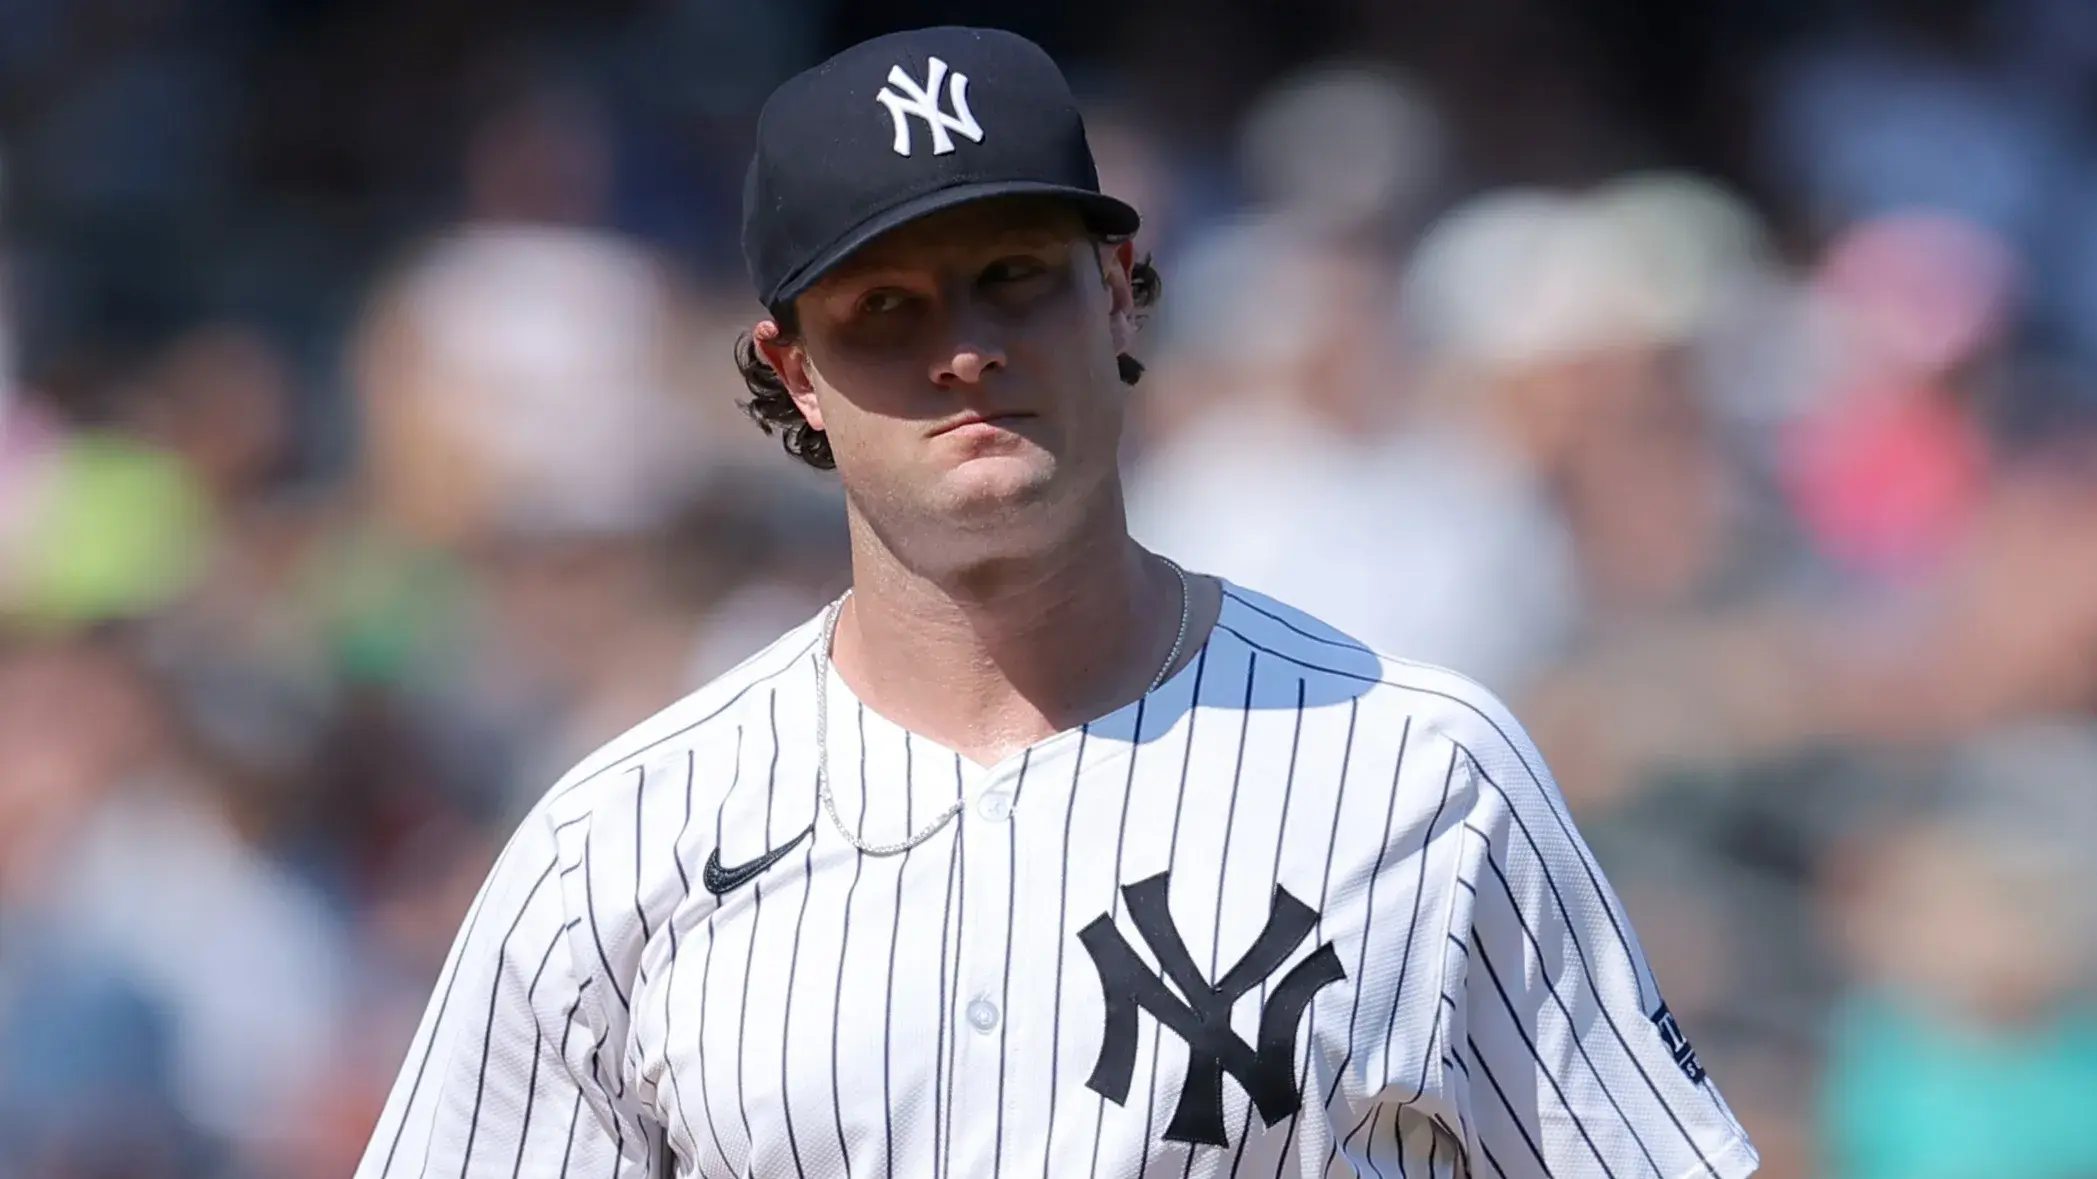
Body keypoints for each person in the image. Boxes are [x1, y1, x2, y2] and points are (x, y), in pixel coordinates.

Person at [355, 26, 1760, 1179]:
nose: (966, 349)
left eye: (1013, 279)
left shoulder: (1418, 767)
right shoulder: (618, 847)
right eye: (887, 310)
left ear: (1119, 294)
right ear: (793, 371)